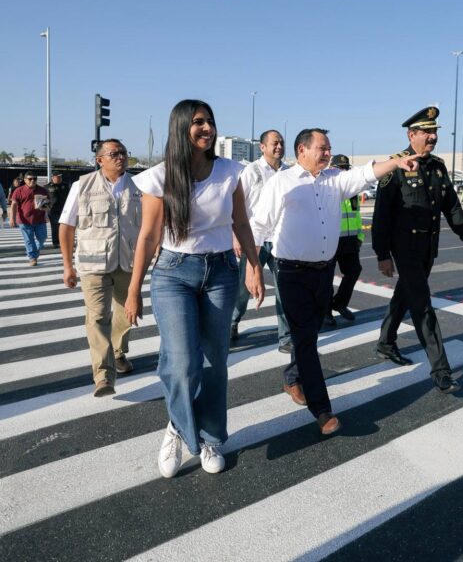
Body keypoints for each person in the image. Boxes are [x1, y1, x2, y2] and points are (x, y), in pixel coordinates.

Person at [125, 99, 264, 478]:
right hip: (173, 273)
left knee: (215, 361)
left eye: (210, 122)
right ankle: (178, 425)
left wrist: (254, 267)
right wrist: (134, 288)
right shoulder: (161, 176)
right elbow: (149, 234)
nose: (207, 128)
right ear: (181, 127)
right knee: (183, 361)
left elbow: (241, 224)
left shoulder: (231, 172)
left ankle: (210, 438)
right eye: (198, 122)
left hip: (220, 271)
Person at [251, 128, 419, 436]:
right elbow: (259, 224)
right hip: (291, 272)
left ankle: (292, 377)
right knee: (304, 338)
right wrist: (252, 268)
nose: (328, 153)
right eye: (322, 148)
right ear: (302, 151)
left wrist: (397, 162)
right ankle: (322, 409)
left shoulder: (334, 180)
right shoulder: (282, 183)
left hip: (323, 273)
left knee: (309, 333)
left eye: (329, 148)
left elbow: (367, 173)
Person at [372, 106, 463, 394]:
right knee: (422, 304)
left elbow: (452, 207)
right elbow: (381, 215)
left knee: (405, 294)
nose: (432, 137)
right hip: (403, 248)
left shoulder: (438, 167)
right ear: (412, 135)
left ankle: (385, 342)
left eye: (435, 132)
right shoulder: (396, 166)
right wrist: (382, 254)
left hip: (427, 248)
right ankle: (441, 371)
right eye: (427, 132)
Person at [58, 140, 142, 398]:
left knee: (127, 313)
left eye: (124, 153)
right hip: (93, 264)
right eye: (113, 154)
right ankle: (103, 375)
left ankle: (118, 353)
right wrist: (67, 266)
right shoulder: (81, 186)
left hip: (128, 261)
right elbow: (66, 226)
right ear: (99, 160)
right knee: (96, 318)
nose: (120, 158)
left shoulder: (138, 186)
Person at [230, 129, 291, 350]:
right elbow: (235, 207)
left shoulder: (289, 173)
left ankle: (286, 338)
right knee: (243, 289)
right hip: (253, 240)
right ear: (262, 147)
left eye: (282, 142)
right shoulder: (251, 171)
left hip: (281, 240)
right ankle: (232, 324)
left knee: (285, 290)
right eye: (275, 143)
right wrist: (235, 237)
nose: (279, 147)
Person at [323, 154, 363, 329]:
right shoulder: (326, 188)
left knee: (354, 270)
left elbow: (357, 215)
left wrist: (359, 236)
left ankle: (339, 303)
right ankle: (326, 313)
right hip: (331, 240)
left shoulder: (353, 191)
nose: (343, 170)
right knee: (326, 278)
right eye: (339, 167)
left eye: (346, 168)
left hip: (350, 240)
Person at [9, 172, 50, 266]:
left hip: (40, 219)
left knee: (42, 238)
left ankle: (34, 251)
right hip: (24, 220)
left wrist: (46, 214)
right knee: (29, 239)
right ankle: (32, 257)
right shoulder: (18, 190)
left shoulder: (42, 190)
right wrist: (12, 218)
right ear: (25, 180)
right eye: (30, 179)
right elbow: (14, 205)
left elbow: (46, 204)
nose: (32, 181)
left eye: (34, 179)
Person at [47, 173, 69, 248]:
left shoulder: (65, 185)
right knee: (55, 226)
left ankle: (63, 241)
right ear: (53, 178)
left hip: (64, 209)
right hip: (52, 210)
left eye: (60, 177)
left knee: (64, 226)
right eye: (57, 177)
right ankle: (56, 242)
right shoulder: (47, 187)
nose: (59, 179)